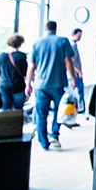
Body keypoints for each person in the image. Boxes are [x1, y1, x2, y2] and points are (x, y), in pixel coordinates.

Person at [25, 21, 76, 150]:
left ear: (45, 29)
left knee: (41, 114)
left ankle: (43, 142)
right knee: (59, 112)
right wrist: (73, 78)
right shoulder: (63, 41)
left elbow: (31, 66)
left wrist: (28, 84)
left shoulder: (36, 43)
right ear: (55, 29)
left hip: (41, 85)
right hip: (59, 83)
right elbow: (68, 61)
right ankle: (54, 135)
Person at [0, 34, 28, 113]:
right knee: (18, 111)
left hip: (4, 86)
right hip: (18, 87)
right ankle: (17, 125)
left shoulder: (1, 56)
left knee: (5, 111)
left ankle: (5, 125)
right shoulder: (21, 56)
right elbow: (24, 72)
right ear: (20, 44)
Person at [69, 28, 86, 116]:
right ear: (73, 34)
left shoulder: (74, 46)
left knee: (79, 91)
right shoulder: (71, 46)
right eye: (78, 36)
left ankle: (79, 109)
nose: (79, 38)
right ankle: (78, 109)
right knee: (77, 92)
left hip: (76, 73)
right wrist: (78, 71)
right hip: (75, 74)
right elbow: (71, 61)